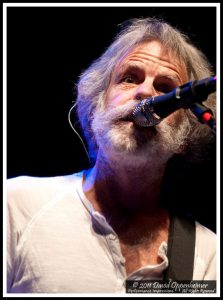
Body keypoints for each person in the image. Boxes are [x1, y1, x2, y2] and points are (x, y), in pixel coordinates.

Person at [7, 17, 216, 293]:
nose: (145, 93)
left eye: (166, 88)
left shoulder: (210, 255)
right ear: (97, 106)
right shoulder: (17, 205)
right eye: (129, 78)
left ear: (186, 135)